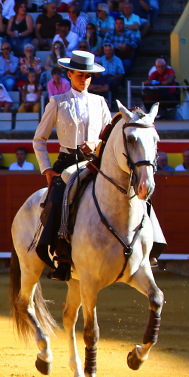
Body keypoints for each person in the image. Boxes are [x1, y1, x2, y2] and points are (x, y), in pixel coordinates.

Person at [33, 50, 112, 281]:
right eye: (80, 75)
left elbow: (109, 138)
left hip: (94, 163)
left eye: (88, 76)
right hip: (67, 162)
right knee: (58, 199)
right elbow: (39, 139)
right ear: (69, 74)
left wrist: (96, 144)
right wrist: (47, 169)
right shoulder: (57, 102)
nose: (84, 79)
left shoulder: (99, 102)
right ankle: (61, 256)